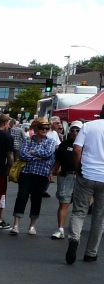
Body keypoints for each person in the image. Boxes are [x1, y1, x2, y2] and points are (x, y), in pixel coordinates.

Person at [66, 104, 104, 264]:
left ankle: (74, 238)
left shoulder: (88, 126)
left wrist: (78, 168)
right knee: (99, 218)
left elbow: (76, 149)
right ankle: (91, 252)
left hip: (87, 173)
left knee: (79, 212)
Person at [10, 117, 56, 235]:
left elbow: (48, 153)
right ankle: (16, 224)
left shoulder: (50, 141)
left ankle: (32, 226)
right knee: (22, 196)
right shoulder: (28, 140)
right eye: (41, 128)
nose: (44, 130)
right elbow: (23, 155)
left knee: (36, 198)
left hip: (41, 174)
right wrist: (38, 157)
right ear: (35, 128)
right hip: (26, 172)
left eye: (46, 128)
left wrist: (33, 152)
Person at [50, 122, 80, 239]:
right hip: (66, 175)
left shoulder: (87, 144)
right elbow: (58, 161)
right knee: (64, 203)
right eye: (72, 130)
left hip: (81, 177)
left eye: (77, 130)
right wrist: (52, 172)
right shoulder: (64, 144)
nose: (75, 133)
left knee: (80, 206)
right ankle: (60, 229)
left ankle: (75, 232)